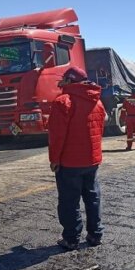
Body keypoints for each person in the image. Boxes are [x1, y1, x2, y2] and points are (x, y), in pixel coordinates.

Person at [48, 67, 106, 250]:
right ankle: (95, 234)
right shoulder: (97, 102)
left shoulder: (62, 102)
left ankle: (71, 238)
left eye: (64, 79)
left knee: (69, 200)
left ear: (69, 80)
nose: (61, 82)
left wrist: (54, 159)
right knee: (92, 196)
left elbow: (57, 135)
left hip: (70, 161)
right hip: (92, 159)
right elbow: (99, 131)